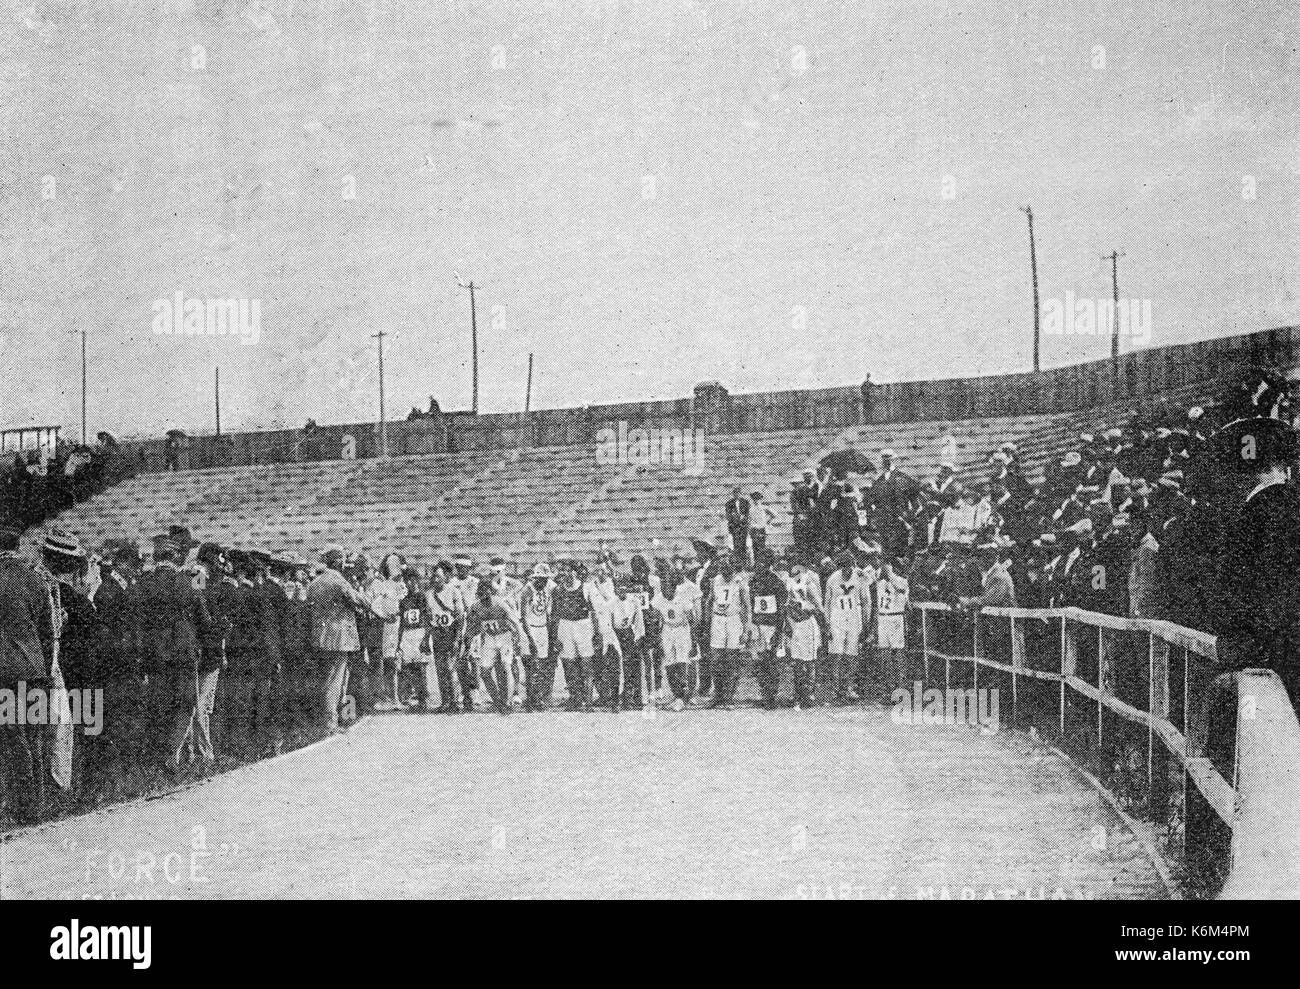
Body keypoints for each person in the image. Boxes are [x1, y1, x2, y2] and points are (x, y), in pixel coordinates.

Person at [137, 534, 216, 771]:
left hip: (153, 654)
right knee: (184, 704)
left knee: (157, 704)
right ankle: (171, 754)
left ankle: (154, 755)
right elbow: (205, 621)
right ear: (174, 556)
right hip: (183, 654)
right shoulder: (188, 582)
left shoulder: (144, 583)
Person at [0, 525, 54, 824]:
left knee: (12, 736)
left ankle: (24, 805)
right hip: (35, 668)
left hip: (4, 671)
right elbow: (47, 630)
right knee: (33, 735)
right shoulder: (35, 579)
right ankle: (39, 802)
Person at [306, 545, 370, 734]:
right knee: (336, 679)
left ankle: (327, 719)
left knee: (325, 678)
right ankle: (331, 722)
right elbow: (359, 601)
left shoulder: (315, 582)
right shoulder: (338, 580)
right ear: (337, 561)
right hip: (339, 637)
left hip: (320, 636)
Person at [465, 578, 524, 715]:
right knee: (485, 672)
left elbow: (514, 622)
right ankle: (497, 701)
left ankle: (507, 702)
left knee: (506, 667)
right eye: (481, 593)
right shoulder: (476, 607)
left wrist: (518, 640)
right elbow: (472, 626)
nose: (485, 597)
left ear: (491, 592)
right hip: (489, 639)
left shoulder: (500, 603)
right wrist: (468, 639)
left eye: (487, 593)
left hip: (505, 637)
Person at [822, 550, 871, 704]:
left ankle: (849, 687)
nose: (846, 571)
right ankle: (836, 689)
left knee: (852, 654)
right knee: (836, 654)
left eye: (849, 567)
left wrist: (866, 622)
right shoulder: (832, 579)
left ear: (853, 566)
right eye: (843, 568)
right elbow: (828, 603)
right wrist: (827, 623)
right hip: (837, 616)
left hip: (854, 617)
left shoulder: (860, 577)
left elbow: (866, 601)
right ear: (839, 567)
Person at [651, 568, 699, 712]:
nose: (666, 592)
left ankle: (684, 696)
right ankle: (677, 694)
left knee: (682, 662)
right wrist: (657, 640)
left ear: (674, 587)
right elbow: (655, 620)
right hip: (667, 630)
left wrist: (694, 642)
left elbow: (693, 621)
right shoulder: (659, 598)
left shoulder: (683, 598)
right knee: (669, 663)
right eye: (663, 588)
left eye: (669, 588)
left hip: (682, 629)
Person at [552, 560, 598, 710]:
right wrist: (555, 637)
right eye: (562, 571)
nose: (565, 574)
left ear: (574, 572)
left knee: (586, 663)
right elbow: (555, 614)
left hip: (583, 624)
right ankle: (575, 699)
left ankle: (589, 700)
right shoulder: (558, 590)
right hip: (565, 626)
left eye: (567, 570)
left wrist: (596, 633)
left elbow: (594, 612)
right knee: (569, 664)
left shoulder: (586, 588)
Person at [707, 553, 750, 709]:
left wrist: (746, 629)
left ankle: (729, 697)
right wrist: (706, 621)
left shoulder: (740, 582)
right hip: (718, 620)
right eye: (723, 569)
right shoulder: (716, 581)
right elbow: (709, 600)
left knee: (732, 659)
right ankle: (717, 694)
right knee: (716, 658)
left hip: (733, 620)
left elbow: (747, 607)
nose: (725, 573)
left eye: (728, 570)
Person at [750, 549, 788, 709]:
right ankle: (763, 690)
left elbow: (781, 610)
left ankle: (771, 694)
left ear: (769, 565)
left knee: (771, 661)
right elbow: (750, 605)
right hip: (757, 625)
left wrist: (778, 632)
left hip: (772, 626)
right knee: (758, 661)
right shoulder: (753, 582)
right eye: (758, 562)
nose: (760, 566)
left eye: (764, 563)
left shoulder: (777, 583)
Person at [425, 563, 467, 712]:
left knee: (451, 669)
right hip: (437, 633)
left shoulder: (454, 592)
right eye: (434, 576)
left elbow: (460, 618)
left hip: (451, 632)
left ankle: (455, 702)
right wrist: (426, 638)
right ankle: (445, 701)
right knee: (440, 669)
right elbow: (429, 618)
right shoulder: (429, 594)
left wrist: (457, 639)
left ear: (446, 577)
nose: (435, 579)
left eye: (438, 576)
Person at [784, 557, 824, 710]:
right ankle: (799, 693)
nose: (794, 574)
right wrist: (788, 622)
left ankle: (809, 694)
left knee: (809, 661)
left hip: (808, 623)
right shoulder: (790, 584)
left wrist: (803, 606)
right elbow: (787, 605)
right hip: (796, 624)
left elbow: (819, 608)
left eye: (796, 572)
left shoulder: (810, 584)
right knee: (797, 661)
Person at [395, 567, 434, 711]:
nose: (410, 583)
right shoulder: (404, 601)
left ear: (417, 581)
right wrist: (399, 642)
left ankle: (424, 698)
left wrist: (426, 637)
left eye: (412, 580)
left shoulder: (422, 597)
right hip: (407, 634)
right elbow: (401, 623)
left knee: (420, 667)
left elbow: (428, 619)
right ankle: (413, 696)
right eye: (407, 580)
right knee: (408, 667)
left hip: (419, 632)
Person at [518, 563, 555, 711]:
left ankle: (539, 698)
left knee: (541, 665)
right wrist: (530, 638)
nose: (543, 582)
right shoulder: (527, 590)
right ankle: (531, 699)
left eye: (545, 579)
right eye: (540, 579)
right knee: (531, 665)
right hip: (530, 628)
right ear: (535, 578)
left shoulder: (548, 588)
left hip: (543, 628)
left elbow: (548, 611)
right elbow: (524, 616)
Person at [874, 557, 911, 700]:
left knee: (898, 654)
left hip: (896, 618)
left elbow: (900, 588)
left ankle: (901, 690)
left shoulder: (902, 581)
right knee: (885, 656)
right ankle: (887, 689)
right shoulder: (881, 582)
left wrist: (890, 574)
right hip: (882, 618)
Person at [724, 486, 751, 562]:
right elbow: (728, 515)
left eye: (738, 493)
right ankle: (737, 562)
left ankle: (744, 561)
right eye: (735, 493)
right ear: (733, 494)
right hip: (734, 526)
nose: (736, 495)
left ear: (740, 494)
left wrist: (744, 517)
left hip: (743, 526)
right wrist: (733, 517)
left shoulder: (745, 502)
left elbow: (748, 513)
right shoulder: (729, 503)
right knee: (736, 544)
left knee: (743, 544)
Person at [748, 491, 776, 559]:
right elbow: (748, 518)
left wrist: (768, 521)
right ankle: (757, 563)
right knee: (755, 546)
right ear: (752, 499)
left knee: (762, 546)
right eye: (754, 499)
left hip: (761, 529)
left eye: (758, 499)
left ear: (760, 499)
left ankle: (762, 563)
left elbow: (774, 514)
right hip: (754, 529)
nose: (756, 500)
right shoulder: (750, 508)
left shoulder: (764, 507)